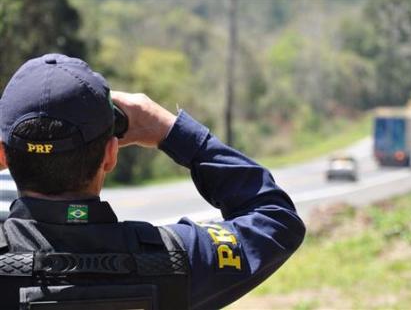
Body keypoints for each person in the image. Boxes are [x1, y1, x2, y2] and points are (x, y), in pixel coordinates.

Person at [0, 53, 305, 309]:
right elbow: (276, 220)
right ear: (110, 155)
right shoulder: (175, 259)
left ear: (3, 157)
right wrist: (172, 132)